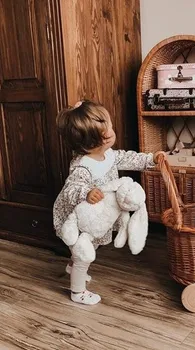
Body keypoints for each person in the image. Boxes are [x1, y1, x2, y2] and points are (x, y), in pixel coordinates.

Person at [53, 100, 161, 305]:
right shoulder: (83, 166)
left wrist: (151, 159)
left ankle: (72, 264)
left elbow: (129, 158)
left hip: (96, 217)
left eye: (109, 126)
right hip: (77, 220)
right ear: (87, 144)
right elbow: (71, 189)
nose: (110, 133)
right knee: (84, 254)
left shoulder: (108, 154)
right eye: (103, 134)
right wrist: (86, 192)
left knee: (87, 249)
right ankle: (78, 291)